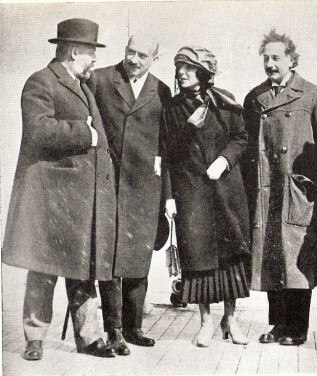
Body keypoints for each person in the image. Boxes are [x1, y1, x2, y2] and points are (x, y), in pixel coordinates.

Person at [1, 18, 117, 360]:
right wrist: (86, 133)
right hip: (51, 197)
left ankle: (90, 337)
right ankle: (34, 338)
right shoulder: (40, 82)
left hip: (80, 199)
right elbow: (37, 131)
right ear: (75, 51)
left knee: (84, 269)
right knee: (44, 268)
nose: (94, 60)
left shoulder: (84, 86)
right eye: (91, 52)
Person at [242, 30, 317, 346]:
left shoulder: (312, 96)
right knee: (271, 257)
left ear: (292, 60)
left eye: (277, 58)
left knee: (297, 260)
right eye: (266, 58)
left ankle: (297, 328)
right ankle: (277, 324)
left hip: (298, 191)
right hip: (266, 190)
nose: (270, 64)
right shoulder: (255, 98)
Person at [89, 33, 171, 355]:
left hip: (144, 189)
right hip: (108, 183)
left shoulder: (162, 91)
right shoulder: (100, 79)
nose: (133, 60)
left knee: (138, 258)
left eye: (142, 55)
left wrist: (166, 195)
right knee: (109, 260)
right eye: (130, 52)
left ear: (154, 59)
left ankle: (134, 327)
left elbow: (165, 146)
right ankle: (114, 331)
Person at [164, 46, 251, 348]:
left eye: (188, 67)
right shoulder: (172, 109)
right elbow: (168, 154)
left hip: (227, 191)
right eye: (179, 67)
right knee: (198, 259)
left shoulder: (225, 102)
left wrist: (224, 160)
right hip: (192, 194)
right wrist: (188, 129)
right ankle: (205, 322)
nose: (181, 73)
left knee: (231, 259)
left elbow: (241, 137)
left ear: (204, 72)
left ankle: (232, 320)